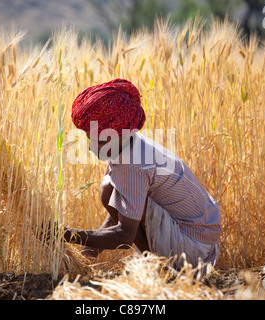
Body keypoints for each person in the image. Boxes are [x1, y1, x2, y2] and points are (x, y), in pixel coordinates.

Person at [62, 78, 221, 269]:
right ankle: (159, 265)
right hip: (201, 240)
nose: (91, 147)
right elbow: (123, 208)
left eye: (99, 141)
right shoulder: (130, 142)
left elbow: (124, 236)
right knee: (110, 189)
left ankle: (162, 270)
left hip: (195, 254)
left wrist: (65, 234)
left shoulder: (132, 165)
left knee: (108, 190)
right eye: (89, 138)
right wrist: (87, 256)